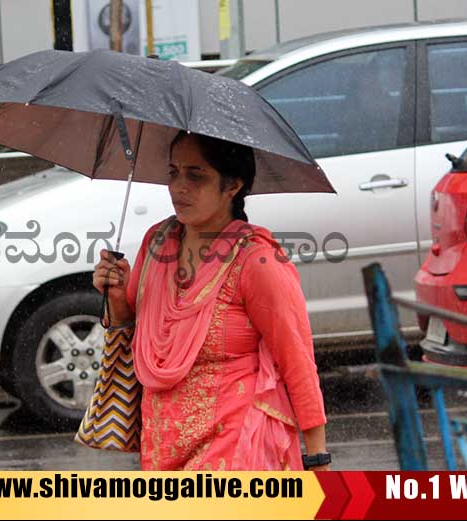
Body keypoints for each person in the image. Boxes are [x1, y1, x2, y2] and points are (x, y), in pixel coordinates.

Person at [92, 131, 329, 471]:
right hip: (161, 443)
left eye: (196, 175)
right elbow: (134, 334)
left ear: (232, 186)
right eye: (173, 172)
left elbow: (297, 360)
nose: (178, 187)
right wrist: (115, 296)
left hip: (234, 444)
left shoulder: (256, 262)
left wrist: (319, 457)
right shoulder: (158, 243)